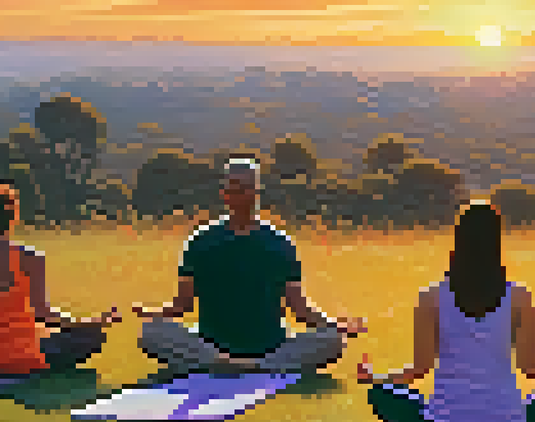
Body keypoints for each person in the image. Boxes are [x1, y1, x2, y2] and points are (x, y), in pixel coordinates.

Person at [357, 202, 535, 422]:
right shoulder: (519, 296)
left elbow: (418, 370)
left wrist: (375, 379)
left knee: (382, 394)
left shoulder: (430, 297)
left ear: (458, 242)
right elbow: (531, 369)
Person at [135, 158, 366, 375]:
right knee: (150, 333)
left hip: (270, 346)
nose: (237, 194)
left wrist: (336, 325)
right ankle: (225, 362)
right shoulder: (200, 241)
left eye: (243, 188)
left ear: (256, 193)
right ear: (224, 194)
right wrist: (152, 313)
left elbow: (300, 309)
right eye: (231, 188)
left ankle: (253, 365)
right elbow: (182, 305)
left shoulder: (279, 243)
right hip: (211, 344)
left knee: (334, 341)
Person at [0, 176, 122, 376]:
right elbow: (45, 315)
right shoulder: (30, 258)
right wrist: (93, 322)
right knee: (93, 337)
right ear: (13, 217)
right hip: (20, 357)